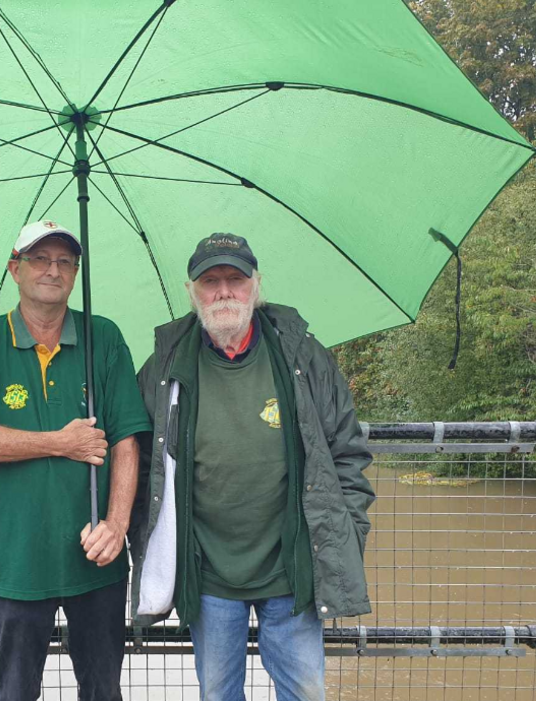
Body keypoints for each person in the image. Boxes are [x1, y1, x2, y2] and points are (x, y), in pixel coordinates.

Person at [129, 233, 375, 701]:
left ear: (256, 286)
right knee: (218, 695)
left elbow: (347, 452)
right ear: (192, 291)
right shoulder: (163, 365)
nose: (224, 291)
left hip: (293, 568)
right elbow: (140, 466)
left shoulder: (303, 356)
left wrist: (347, 532)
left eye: (235, 279)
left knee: (305, 692)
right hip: (208, 573)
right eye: (210, 281)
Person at [0, 220, 151, 701]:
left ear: (76, 273)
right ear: (14, 268)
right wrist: (60, 442)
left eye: (65, 261)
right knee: (16, 691)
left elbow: (126, 441)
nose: (53, 270)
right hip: (15, 560)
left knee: (103, 690)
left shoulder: (104, 337)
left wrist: (117, 526)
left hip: (96, 557)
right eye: (40, 259)